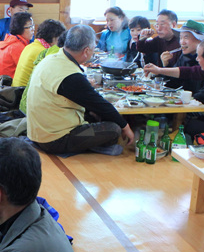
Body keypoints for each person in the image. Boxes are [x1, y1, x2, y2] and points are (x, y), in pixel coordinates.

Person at [26, 25, 135, 154]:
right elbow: (99, 104)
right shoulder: (70, 75)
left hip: (37, 132)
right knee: (113, 129)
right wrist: (125, 126)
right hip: (55, 139)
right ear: (86, 51)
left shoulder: (52, 58)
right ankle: (94, 148)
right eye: (93, 48)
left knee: (96, 115)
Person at [19, 30, 67, 115]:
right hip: (28, 106)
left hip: (22, 99)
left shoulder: (32, 46)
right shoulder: (53, 54)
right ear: (55, 38)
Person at [161, 19, 204, 101]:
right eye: (180, 38)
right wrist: (166, 65)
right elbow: (173, 84)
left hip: (198, 105)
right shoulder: (184, 57)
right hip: (184, 102)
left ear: (200, 39)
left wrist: (188, 101)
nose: (182, 42)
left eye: (186, 37)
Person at [12, 19, 66, 87]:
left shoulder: (30, 46)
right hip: (24, 91)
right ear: (54, 38)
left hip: (15, 89)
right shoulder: (44, 52)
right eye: (59, 39)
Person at [0, 11, 34, 81]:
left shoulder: (12, 41)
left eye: (33, 26)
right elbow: (28, 71)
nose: (33, 29)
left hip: (0, 86)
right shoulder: (16, 47)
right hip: (5, 87)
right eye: (30, 27)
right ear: (20, 29)